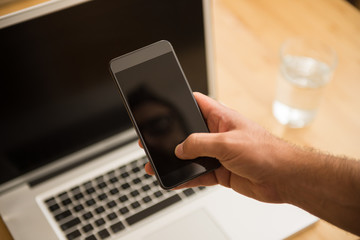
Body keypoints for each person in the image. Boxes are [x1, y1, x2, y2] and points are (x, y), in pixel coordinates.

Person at [141, 92, 360, 236]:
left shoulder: (232, 167)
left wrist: (282, 174)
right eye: (144, 131)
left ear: (181, 120)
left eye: (160, 124)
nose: (152, 141)